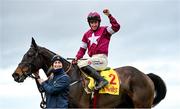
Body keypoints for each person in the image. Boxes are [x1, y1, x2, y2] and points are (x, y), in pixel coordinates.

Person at [72, 9, 120, 90]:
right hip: (92, 59)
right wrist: (76, 58)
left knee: (82, 64)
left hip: (101, 59)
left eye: (95, 22)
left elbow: (116, 27)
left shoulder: (105, 30)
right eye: (92, 23)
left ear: (99, 22)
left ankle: (102, 81)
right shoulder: (86, 34)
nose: (94, 24)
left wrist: (109, 15)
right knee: (79, 63)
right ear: (89, 23)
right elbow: (82, 50)